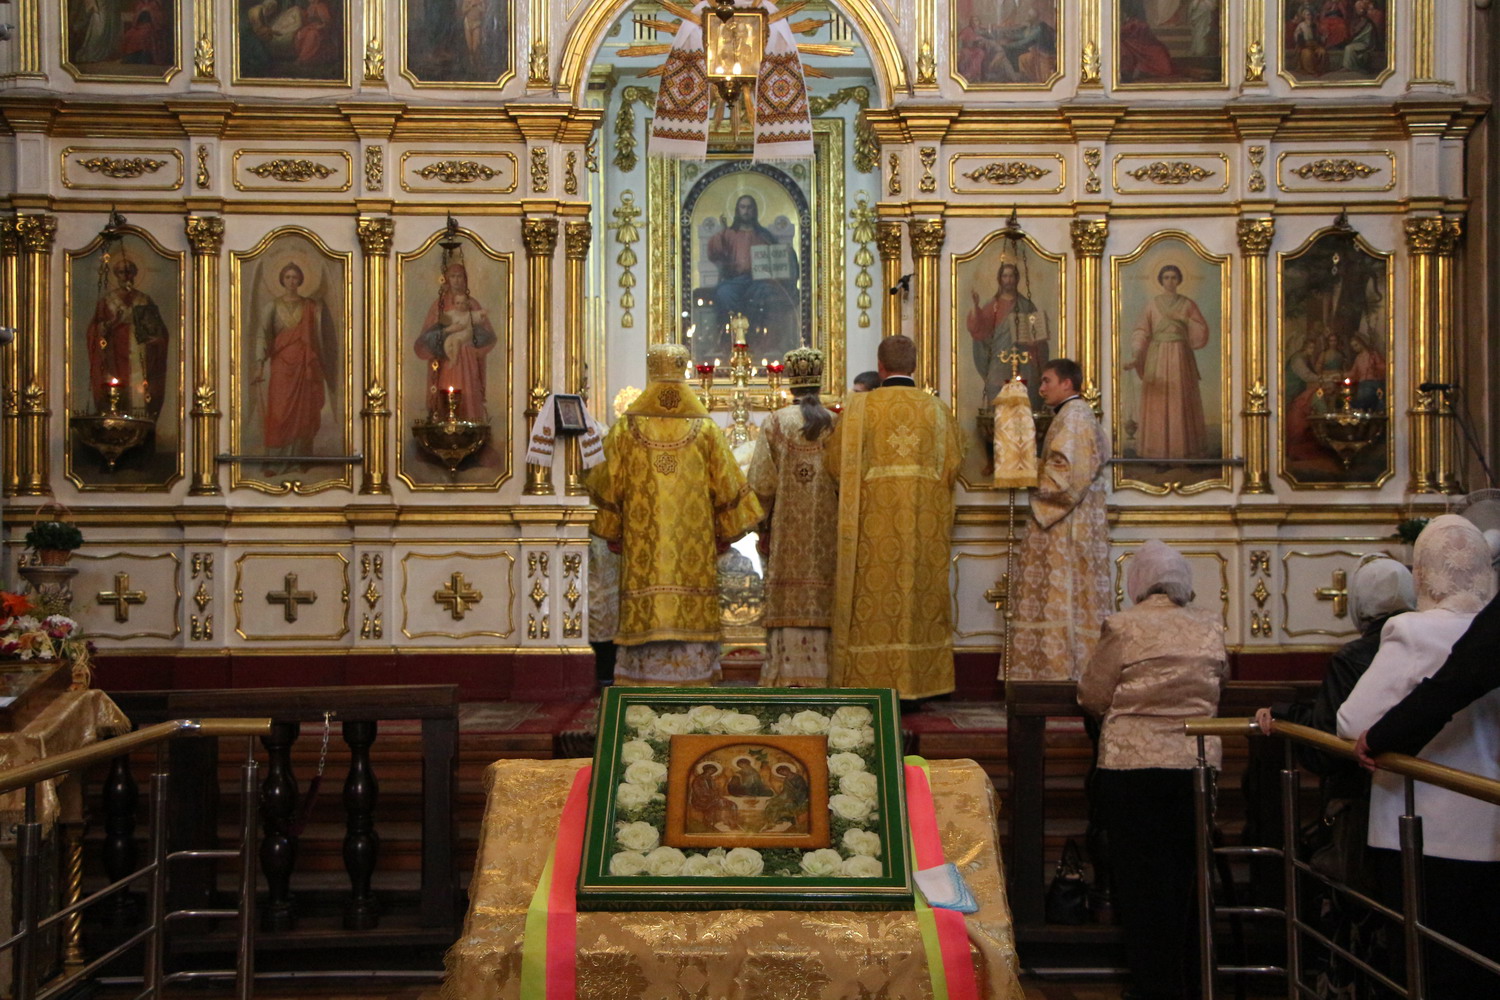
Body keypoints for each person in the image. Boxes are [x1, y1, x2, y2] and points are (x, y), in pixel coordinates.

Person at [1337, 516, 1500, 997]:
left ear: (1424, 572)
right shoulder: (1490, 631)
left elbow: (1352, 722)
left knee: (1426, 967)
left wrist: (1378, 737)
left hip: (1421, 831)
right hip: (1490, 828)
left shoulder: (1413, 631)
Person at [1078, 540, 1226, 1000]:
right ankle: (1189, 983)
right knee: (1185, 879)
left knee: (1142, 886)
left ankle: (1152, 987)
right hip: (1194, 767)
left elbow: (1093, 695)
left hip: (1131, 769)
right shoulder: (1210, 625)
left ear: (1137, 581)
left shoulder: (1123, 625)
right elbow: (1219, 685)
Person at [586, 342, 763, 686]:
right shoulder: (705, 430)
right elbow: (729, 487)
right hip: (693, 556)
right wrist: (725, 532)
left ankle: (643, 681)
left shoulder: (626, 429)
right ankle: (693, 680)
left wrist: (612, 529)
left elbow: (606, 484)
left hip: (642, 555)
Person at [825, 335, 962, 700]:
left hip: (870, 530)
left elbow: (834, 464)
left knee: (872, 604)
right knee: (918, 600)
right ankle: (922, 684)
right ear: (914, 366)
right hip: (922, 528)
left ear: (880, 366)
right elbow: (953, 467)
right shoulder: (937, 411)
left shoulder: (859, 410)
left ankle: (869, 681)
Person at [1008, 358, 1111, 681]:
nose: (1041, 389)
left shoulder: (1075, 416)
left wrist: (1029, 473)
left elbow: (1067, 477)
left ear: (1067, 383)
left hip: (1067, 528)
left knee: (1064, 598)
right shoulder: (1070, 415)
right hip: (1070, 524)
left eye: (1047, 381)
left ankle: (1061, 671)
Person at [747, 348, 838, 686]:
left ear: (790, 382)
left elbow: (761, 484)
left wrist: (762, 527)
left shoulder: (775, 422)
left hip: (785, 535)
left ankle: (785, 676)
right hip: (829, 534)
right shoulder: (835, 423)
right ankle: (824, 676)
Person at [1126, 264, 1211, 461]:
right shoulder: (1152, 305)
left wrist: (1183, 320)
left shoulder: (1187, 304)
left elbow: (1201, 330)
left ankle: (1183, 453)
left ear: (1179, 280)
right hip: (1157, 357)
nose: (1170, 281)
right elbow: (1141, 331)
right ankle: (1158, 455)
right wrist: (1137, 354)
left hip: (1180, 358)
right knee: (1158, 403)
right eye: (1166, 277)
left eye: (1173, 277)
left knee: (1180, 401)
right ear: (1161, 281)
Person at [254, 260, 337, 459]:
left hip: (304, 365)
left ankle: (301, 457)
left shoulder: (310, 306)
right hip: (281, 367)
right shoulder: (272, 307)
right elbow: (262, 335)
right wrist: (259, 364)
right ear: (282, 280)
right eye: (288, 277)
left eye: (295, 277)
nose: (292, 281)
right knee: (279, 411)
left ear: (300, 280)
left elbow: (320, 336)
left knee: (303, 412)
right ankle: (277, 458)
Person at [705, 194, 798, 356]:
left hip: (758, 281)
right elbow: (715, 252)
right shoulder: (729, 234)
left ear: (755, 210)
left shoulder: (763, 235)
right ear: (737, 210)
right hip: (735, 280)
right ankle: (727, 342)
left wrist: (785, 254)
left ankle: (763, 343)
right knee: (723, 293)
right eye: (743, 207)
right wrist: (722, 232)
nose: (746, 211)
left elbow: (777, 256)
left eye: (749, 207)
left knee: (764, 293)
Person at [85, 249, 169, 422]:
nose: (126, 276)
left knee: (140, 392)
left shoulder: (144, 299)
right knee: (118, 391)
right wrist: (113, 322)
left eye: (129, 272)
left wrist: (155, 340)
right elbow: (95, 330)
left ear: (135, 274)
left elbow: (158, 330)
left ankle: (141, 422)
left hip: (141, 355)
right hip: (116, 356)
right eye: (122, 272)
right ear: (116, 275)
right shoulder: (108, 300)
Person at [413, 251, 498, 423]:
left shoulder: (472, 304)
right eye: (453, 276)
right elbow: (428, 335)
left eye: (460, 276)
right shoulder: (439, 305)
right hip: (446, 359)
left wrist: (477, 350)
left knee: (469, 392)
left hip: (468, 359)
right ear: (447, 279)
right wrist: (447, 332)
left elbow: (488, 335)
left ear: (465, 279)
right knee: (445, 388)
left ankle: (472, 421)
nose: (457, 280)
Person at [967, 260, 1051, 413]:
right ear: (1000, 279)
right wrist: (975, 305)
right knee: (996, 397)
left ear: (1017, 279)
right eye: (1005, 276)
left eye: (1011, 276)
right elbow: (978, 328)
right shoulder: (993, 305)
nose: (1008, 280)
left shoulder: (1026, 305)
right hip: (999, 361)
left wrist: (1034, 342)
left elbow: (1038, 336)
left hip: (1024, 362)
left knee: (1026, 401)